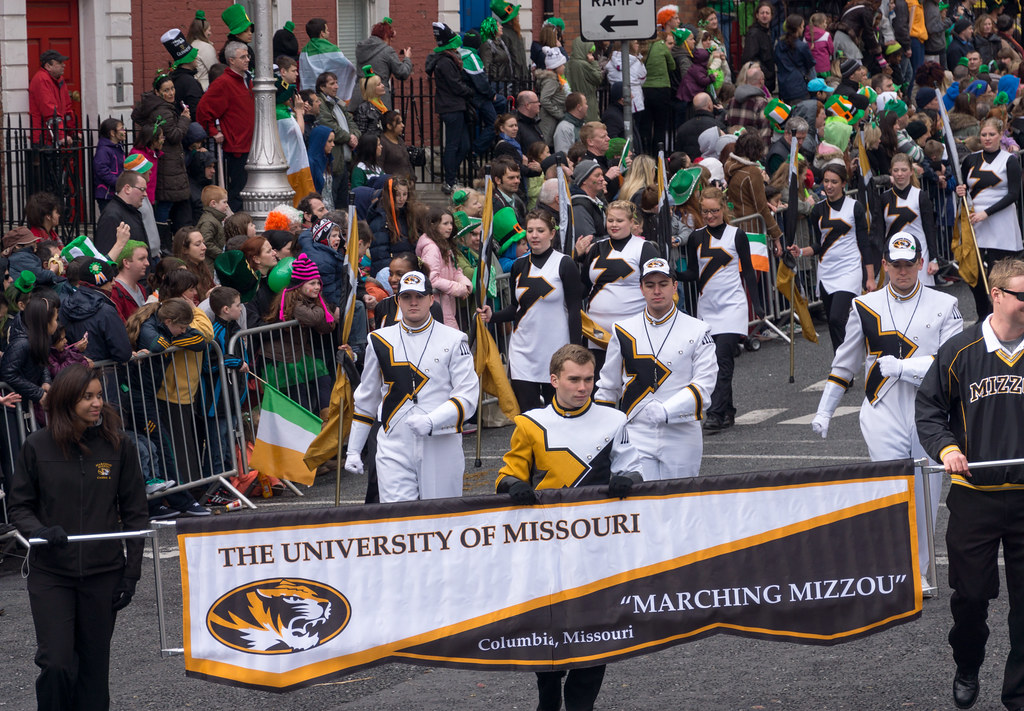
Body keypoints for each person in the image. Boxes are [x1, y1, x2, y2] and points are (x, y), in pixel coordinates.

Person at [811, 233, 961, 595]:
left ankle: (920, 569)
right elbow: (844, 363)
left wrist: (903, 367)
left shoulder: (946, 304)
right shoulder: (864, 305)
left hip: (929, 412)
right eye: (896, 264)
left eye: (910, 264)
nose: (903, 271)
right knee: (892, 491)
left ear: (921, 263)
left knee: (926, 492)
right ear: (885, 265)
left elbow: (949, 364)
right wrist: (825, 410)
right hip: (881, 410)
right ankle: (898, 567)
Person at [496, 343, 641, 711]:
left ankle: (581, 704)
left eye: (589, 379)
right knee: (548, 628)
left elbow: (631, 465)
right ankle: (548, 697)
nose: (583, 387)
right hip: (547, 548)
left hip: (598, 546)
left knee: (597, 627)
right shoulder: (530, 424)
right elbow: (507, 473)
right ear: (554, 379)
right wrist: (514, 485)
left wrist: (628, 478)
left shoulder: (614, 420)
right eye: (574, 379)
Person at [915, 257, 1024, 711]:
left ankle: (1017, 696)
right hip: (975, 499)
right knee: (972, 598)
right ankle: (968, 662)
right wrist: (946, 450)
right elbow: (929, 409)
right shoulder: (960, 350)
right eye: (1023, 294)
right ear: (997, 296)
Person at [8, 363, 147, 711]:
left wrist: (131, 575)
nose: (96, 403)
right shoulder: (37, 446)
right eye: (87, 397)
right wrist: (39, 531)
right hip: (52, 574)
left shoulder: (119, 446)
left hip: (103, 573)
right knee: (55, 662)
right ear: (67, 400)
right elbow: (19, 506)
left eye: (99, 396)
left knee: (93, 671)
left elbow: (135, 513)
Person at [344, 270, 478, 502]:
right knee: (399, 520)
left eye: (419, 296)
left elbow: (467, 397)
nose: (413, 302)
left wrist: (432, 420)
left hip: (440, 443)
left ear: (431, 299)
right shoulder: (378, 339)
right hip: (393, 444)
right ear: (398, 301)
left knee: (441, 518)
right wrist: (353, 449)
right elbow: (366, 398)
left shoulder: (455, 340)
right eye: (407, 297)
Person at [596, 257, 717, 478]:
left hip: (682, 431)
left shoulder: (698, 330)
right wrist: (601, 432)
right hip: (636, 431)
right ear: (641, 288)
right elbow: (608, 387)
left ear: (674, 286)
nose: (657, 291)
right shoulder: (622, 330)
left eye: (663, 284)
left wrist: (667, 410)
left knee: (680, 502)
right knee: (641, 504)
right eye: (650, 285)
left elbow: (704, 386)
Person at [479, 210, 583, 411]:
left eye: (540, 230)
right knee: (528, 416)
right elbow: (515, 308)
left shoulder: (564, 264)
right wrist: (493, 316)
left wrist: (576, 350)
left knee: (559, 413)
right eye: (530, 230)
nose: (534, 235)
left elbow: (574, 310)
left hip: (557, 351)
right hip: (523, 352)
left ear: (552, 234)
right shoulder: (518, 266)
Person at [678, 187, 763, 433]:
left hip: (733, 306)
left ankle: (714, 414)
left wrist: (756, 304)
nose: (710, 216)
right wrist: (673, 275)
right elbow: (694, 273)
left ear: (723, 209)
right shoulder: (696, 237)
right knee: (712, 363)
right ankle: (728, 411)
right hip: (708, 307)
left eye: (714, 211)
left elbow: (748, 270)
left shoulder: (737, 235)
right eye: (705, 211)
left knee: (722, 358)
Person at [794, 162, 874, 351]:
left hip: (850, 269)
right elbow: (818, 245)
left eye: (834, 182)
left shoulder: (855, 207)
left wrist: (870, 277)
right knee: (833, 321)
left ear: (843, 183)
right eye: (826, 181)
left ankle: (850, 354)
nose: (829, 186)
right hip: (827, 271)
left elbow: (864, 243)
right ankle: (842, 365)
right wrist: (801, 251)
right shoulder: (817, 210)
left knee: (838, 317)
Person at [581, 200, 660, 376]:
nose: (614, 225)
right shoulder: (596, 249)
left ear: (632, 223)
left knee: (633, 385)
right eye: (610, 220)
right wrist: (574, 258)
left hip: (635, 332)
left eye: (619, 220)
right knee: (598, 385)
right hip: (596, 334)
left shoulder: (644, 249)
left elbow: (659, 286)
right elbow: (582, 287)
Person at [955, 117, 1022, 320]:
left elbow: (1013, 195)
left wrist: (987, 213)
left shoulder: (1009, 160)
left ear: (1000, 135)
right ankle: (982, 315)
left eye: (991, 134)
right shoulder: (970, 160)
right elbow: (962, 187)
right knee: (974, 274)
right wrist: (959, 190)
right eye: (983, 134)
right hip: (976, 224)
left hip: (1001, 225)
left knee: (999, 276)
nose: (987, 138)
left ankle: (1000, 316)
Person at [196, 40, 255, 212]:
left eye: (247, 56)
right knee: (238, 191)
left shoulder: (247, 79)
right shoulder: (223, 83)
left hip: (251, 143)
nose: (247, 60)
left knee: (249, 190)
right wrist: (213, 132)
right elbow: (203, 110)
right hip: (237, 146)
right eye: (242, 57)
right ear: (231, 60)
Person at [132, 72, 192, 233]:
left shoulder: (157, 107)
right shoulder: (163, 111)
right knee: (166, 204)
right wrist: (185, 118)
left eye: (172, 89)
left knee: (170, 203)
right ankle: (161, 237)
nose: (171, 93)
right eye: (166, 90)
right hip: (169, 163)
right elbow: (174, 135)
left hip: (167, 161)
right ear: (157, 92)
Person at [873, 153, 940, 286]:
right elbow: (879, 233)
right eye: (896, 170)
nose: (900, 174)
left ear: (911, 171)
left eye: (904, 170)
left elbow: (930, 229)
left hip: (919, 255)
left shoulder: (920, 196)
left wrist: (934, 259)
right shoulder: (884, 199)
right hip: (894, 257)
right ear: (891, 172)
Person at [426, 23, 474, 195]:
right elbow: (456, 85)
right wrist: (470, 91)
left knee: (465, 145)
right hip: (451, 107)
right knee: (453, 146)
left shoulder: (446, 59)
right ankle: (450, 181)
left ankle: (451, 174)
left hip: (454, 106)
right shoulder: (446, 62)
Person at [415, 209, 471, 328]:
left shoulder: (444, 245)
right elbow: (432, 279)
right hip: (437, 304)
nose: (450, 227)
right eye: (445, 224)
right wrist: (457, 288)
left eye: (451, 223)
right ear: (433, 225)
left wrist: (464, 284)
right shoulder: (431, 248)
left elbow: (455, 270)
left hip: (446, 302)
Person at [354, 19, 413, 111]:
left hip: (359, 94)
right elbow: (402, 73)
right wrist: (407, 58)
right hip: (378, 98)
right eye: (390, 38)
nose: (390, 42)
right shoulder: (387, 51)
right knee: (380, 124)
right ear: (385, 36)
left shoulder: (360, 48)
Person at [29, 49, 75, 146]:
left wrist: (72, 131)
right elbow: (49, 110)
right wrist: (61, 136)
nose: (64, 65)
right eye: (59, 63)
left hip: (55, 135)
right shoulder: (42, 79)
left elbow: (67, 107)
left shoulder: (59, 79)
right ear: (48, 66)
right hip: (45, 137)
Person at [94, 172, 145, 259]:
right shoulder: (111, 216)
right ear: (127, 189)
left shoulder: (131, 211)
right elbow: (106, 256)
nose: (145, 194)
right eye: (142, 189)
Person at [110, 240, 150, 322]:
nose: (147, 263)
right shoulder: (115, 291)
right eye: (141, 259)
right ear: (126, 262)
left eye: (147, 258)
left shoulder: (140, 288)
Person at [172, 226, 215, 303]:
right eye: (198, 244)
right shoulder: (181, 275)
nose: (204, 247)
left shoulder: (201, 266)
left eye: (203, 243)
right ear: (184, 250)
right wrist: (208, 299)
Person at [93, 118, 126, 212]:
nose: (124, 131)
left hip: (117, 192)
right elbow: (102, 171)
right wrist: (118, 182)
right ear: (112, 133)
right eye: (121, 129)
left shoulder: (118, 147)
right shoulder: (104, 150)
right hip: (106, 193)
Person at [741, 3, 775, 92]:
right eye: (762, 13)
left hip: (767, 82)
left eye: (767, 13)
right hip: (759, 82)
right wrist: (766, 73)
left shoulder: (766, 32)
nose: (764, 15)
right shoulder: (754, 34)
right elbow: (750, 58)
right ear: (757, 15)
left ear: (771, 16)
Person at [186, 10, 218, 90]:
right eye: (208, 30)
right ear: (201, 31)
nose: (210, 33)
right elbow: (214, 70)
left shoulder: (190, 45)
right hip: (205, 87)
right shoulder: (206, 47)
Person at [378, 110, 413, 179]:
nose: (403, 125)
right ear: (389, 126)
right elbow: (379, 167)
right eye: (399, 123)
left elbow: (407, 162)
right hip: (393, 186)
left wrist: (412, 178)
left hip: (406, 184)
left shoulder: (400, 140)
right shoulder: (382, 143)